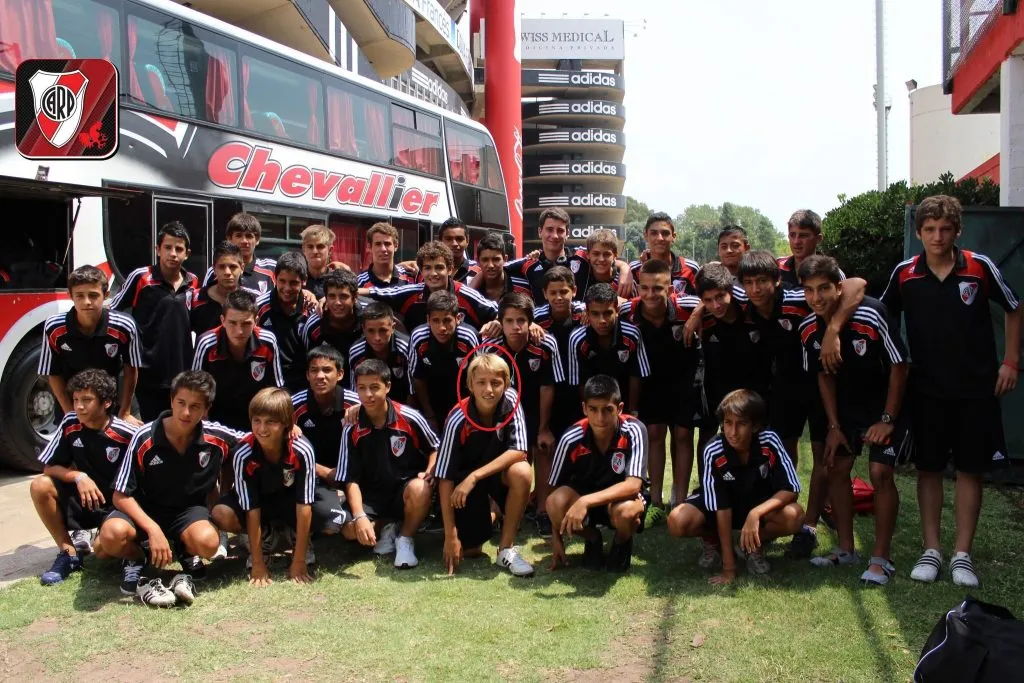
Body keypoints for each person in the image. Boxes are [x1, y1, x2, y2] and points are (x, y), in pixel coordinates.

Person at [882, 194, 1022, 587]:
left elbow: (1014, 306)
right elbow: (884, 314)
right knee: (928, 469)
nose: (937, 236)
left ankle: (962, 555)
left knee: (969, 470)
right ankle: (931, 550)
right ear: (919, 232)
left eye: (945, 229)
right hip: (925, 388)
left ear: (957, 230)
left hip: (976, 388)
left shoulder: (979, 267)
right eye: (929, 229)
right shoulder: (905, 273)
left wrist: (1011, 361)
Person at [800, 255, 909, 584]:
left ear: (838, 287)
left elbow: (899, 366)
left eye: (824, 289)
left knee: (880, 472)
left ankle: (881, 559)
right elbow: (824, 377)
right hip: (846, 408)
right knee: (835, 466)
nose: (816, 298)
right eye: (809, 291)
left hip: (883, 405)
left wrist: (888, 419)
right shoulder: (808, 328)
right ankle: (846, 550)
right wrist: (833, 426)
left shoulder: (870, 314)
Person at [98, 371, 241, 606]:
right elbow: (120, 494)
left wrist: (291, 431)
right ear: (171, 401)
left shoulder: (217, 436)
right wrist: (153, 529)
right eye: (181, 403)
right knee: (111, 536)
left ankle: (186, 550)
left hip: (187, 510)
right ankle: (137, 557)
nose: (186, 412)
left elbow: (256, 439)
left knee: (208, 543)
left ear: (206, 409)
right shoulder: (145, 437)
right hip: (145, 508)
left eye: (195, 406)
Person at [667, 389, 803, 584]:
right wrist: (728, 568)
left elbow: (792, 488)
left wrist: (755, 514)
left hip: (757, 504)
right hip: (719, 508)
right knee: (676, 521)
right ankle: (713, 540)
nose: (732, 431)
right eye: (728, 423)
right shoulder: (714, 449)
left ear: (755, 426)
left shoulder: (770, 440)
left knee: (795, 515)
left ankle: (750, 545)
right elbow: (721, 508)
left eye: (741, 424)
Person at [212, 388, 330, 587]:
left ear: (286, 423)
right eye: (256, 421)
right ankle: (265, 539)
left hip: (291, 503)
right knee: (220, 513)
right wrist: (257, 563)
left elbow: (304, 506)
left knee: (330, 517)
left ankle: (297, 538)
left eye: (271, 422)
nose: (262, 429)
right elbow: (251, 508)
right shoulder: (243, 453)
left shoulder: (302, 449)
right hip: (262, 505)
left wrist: (299, 561)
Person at [32, 370, 137, 585]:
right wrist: (79, 476)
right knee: (40, 486)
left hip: (117, 505)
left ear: (106, 402)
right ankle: (69, 554)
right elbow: (49, 468)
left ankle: (133, 556)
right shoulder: (71, 423)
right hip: (86, 500)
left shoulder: (126, 434)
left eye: (87, 400)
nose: (79, 406)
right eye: (76, 399)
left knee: (103, 551)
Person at [335, 360, 439, 569]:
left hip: (404, 490)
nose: (368, 395)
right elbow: (350, 479)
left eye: (374, 387)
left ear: (388, 387)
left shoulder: (409, 417)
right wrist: (360, 516)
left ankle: (405, 538)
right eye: (362, 388)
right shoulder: (351, 427)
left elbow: (435, 448)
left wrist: (429, 472)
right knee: (349, 530)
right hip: (371, 495)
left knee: (421, 488)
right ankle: (388, 525)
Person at [436, 354, 534, 576]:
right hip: (464, 482)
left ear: (506, 384)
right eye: (481, 382)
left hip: (495, 476)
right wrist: (450, 535)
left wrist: (476, 476)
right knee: (471, 550)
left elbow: (519, 450)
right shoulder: (456, 418)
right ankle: (493, 514)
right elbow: (445, 477)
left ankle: (505, 549)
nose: (488, 389)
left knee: (523, 471)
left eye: (496, 382)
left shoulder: (511, 401)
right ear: (470, 384)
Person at [620, 259, 700, 521]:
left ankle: (680, 498)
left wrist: (697, 315)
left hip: (683, 380)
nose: (650, 294)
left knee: (683, 435)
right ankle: (655, 499)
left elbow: (717, 298)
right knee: (654, 433)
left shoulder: (685, 305)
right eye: (644, 288)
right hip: (649, 381)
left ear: (671, 289)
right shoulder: (628, 312)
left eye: (658, 289)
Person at [548, 375, 649, 573]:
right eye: (593, 410)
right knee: (555, 501)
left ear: (619, 408)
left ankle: (621, 542)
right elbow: (553, 489)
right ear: (584, 408)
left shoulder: (635, 430)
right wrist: (556, 539)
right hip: (583, 503)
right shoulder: (571, 437)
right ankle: (593, 539)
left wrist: (585, 502)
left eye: (607, 410)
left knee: (628, 513)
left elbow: (633, 485)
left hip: (619, 502)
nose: (600, 418)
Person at [480, 292, 563, 529]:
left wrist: (544, 427)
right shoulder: (489, 346)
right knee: (499, 453)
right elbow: (481, 389)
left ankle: (543, 509)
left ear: (531, 322)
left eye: (521, 321)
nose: (516, 327)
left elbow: (548, 387)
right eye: (509, 321)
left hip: (537, 407)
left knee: (543, 446)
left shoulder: (545, 343)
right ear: (500, 322)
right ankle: (498, 506)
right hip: (501, 412)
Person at [110, 221, 199, 421]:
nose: (173, 253)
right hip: (147, 373)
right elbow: (113, 311)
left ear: (187, 253)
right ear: (158, 249)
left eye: (179, 249)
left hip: (181, 373)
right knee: (153, 428)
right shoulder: (141, 277)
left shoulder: (193, 282)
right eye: (167, 247)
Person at [691, 262, 773, 475]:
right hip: (716, 387)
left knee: (756, 439)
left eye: (720, 297)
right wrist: (696, 314)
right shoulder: (702, 320)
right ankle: (707, 488)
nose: (716, 305)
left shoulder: (752, 309)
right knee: (707, 438)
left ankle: (756, 489)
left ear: (730, 291)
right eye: (708, 300)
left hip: (754, 388)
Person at [39, 265, 143, 424]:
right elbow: (53, 373)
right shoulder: (54, 327)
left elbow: (131, 368)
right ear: (70, 296)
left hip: (109, 405)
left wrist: (125, 411)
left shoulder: (123, 325)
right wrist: (70, 414)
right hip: (72, 405)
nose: (87, 302)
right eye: (80, 295)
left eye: (93, 295)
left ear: (106, 295)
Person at [192, 289, 284, 430]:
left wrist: (288, 423)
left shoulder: (268, 341)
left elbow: (277, 388)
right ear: (222, 320)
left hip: (257, 422)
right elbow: (195, 389)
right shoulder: (206, 343)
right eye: (232, 323)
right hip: (216, 421)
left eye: (246, 324)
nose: (239, 331)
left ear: (256, 321)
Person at [363, 241, 498, 332]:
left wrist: (497, 323)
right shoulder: (411, 293)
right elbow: (375, 292)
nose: (433, 274)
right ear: (421, 271)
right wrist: (349, 292)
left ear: (450, 269)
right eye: (427, 268)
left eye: (439, 268)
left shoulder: (465, 294)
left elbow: (498, 311)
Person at [567, 283, 650, 416]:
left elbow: (636, 375)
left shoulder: (632, 334)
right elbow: (579, 382)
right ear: (587, 313)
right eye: (595, 314)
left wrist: (632, 411)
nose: (602, 320)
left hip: (626, 403)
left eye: (607, 313)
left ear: (617, 310)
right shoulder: (577, 339)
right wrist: (590, 414)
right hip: (593, 406)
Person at [408, 290, 481, 431]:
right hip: (432, 399)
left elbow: (479, 377)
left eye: (447, 320)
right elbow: (416, 378)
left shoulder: (468, 337)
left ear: (458, 318)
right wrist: (429, 415)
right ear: (428, 320)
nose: (442, 328)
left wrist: (471, 413)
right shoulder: (418, 337)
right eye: (435, 320)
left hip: (464, 399)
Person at [504, 208, 593, 302]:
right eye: (549, 229)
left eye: (560, 230)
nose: (554, 235)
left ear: (567, 234)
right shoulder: (528, 265)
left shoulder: (583, 258)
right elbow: (498, 268)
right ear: (540, 232)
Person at [256, 252, 315, 392]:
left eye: (293, 283)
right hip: (269, 382)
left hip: (304, 382)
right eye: (282, 281)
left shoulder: (312, 308)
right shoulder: (260, 307)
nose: (287, 288)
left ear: (304, 280)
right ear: (275, 278)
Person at [347, 302, 413, 403]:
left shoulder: (406, 348)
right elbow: (356, 390)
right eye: (371, 331)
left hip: (403, 403)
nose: (377, 338)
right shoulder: (356, 352)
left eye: (383, 330)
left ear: (393, 328)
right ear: (363, 330)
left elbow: (412, 390)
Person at [188, 241, 254, 335]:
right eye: (222, 267)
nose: (227, 272)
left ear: (242, 268)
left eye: (232, 267)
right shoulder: (194, 299)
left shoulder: (251, 300)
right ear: (214, 269)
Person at [201, 212, 276, 294]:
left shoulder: (271, 269)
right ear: (229, 239)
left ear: (257, 240)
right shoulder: (215, 271)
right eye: (239, 235)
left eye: (249, 236)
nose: (244, 241)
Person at [301, 269, 362, 366]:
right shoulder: (314, 325)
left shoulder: (368, 317)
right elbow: (307, 362)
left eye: (343, 296)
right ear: (325, 297)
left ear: (354, 297)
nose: (337, 303)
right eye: (332, 296)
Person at [629, 212, 700, 296]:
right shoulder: (633, 270)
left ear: (674, 237)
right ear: (646, 236)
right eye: (654, 233)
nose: (659, 238)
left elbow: (704, 301)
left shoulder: (691, 269)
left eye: (665, 233)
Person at [776, 210, 846, 289]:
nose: (796, 242)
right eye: (792, 235)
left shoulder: (833, 272)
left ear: (818, 239)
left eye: (803, 235)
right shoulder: (777, 266)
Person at [469, 232, 532, 302]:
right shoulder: (471, 288)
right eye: (485, 260)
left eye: (496, 259)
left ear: (505, 259)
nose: (490, 265)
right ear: (477, 261)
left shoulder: (523, 288)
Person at [573, 229, 632, 297]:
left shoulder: (625, 282)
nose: (601, 259)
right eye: (596, 254)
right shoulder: (579, 277)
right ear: (588, 255)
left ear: (615, 255)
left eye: (607, 254)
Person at [358, 222, 416, 289]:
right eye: (378, 244)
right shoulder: (359, 283)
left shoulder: (411, 277)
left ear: (396, 246)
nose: (383, 249)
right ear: (369, 247)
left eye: (387, 244)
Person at [438, 217, 481, 284]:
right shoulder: (427, 270)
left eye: (459, 239)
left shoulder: (478, 271)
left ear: (467, 241)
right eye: (448, 239)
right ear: (440, 241)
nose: (454, 244)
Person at [300, 224, 337, 299]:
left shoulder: (337, 280)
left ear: (330, 250)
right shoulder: (296, 278)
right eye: (310, 247)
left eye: (320, 246)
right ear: (304, 249)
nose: (315, 251)